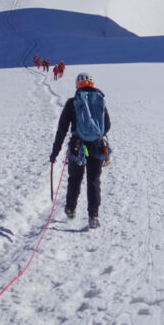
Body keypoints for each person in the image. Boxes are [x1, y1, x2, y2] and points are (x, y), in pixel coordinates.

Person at [49, 72, 111, 229]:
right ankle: (94, 217)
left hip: (78, 147)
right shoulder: (100, 101)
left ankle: (70, 209)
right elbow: (107, 126)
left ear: (77, 85)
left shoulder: (72, 103)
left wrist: (55, 153)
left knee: (75, 179)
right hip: (97, 145)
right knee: (93, 181)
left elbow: (62, 129)